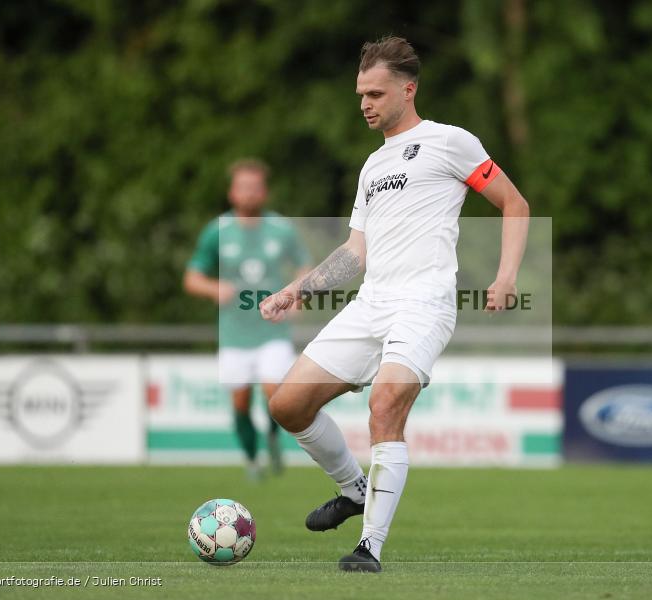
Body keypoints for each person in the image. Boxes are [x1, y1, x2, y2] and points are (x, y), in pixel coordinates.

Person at [260, 37, 530, 571]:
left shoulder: (450, 142)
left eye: (376, 93)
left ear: (408, 90)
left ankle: (369, 546)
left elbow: (515, 203)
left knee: (383, 406)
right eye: (361, 94)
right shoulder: (370, 167)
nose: (365, 103)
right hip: (371, 303)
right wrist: (300, 289)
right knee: (287, 406)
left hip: (424, 302)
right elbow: (355, 251)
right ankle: (354, 490)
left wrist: (505, 276)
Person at [185, 159, 312, 481]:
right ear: (232, 192)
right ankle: (252, 459)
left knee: (276, 395)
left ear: (264, 192)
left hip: (273, 330)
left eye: (255, 187)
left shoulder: (281, 229)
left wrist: (298, 295)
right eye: (243, 187)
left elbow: (304, 266)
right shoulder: (218, 231)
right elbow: (192, 278)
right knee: (240, 401)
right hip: (234, 333)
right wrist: (214, 288)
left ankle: (271, 437)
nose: (250, 194)